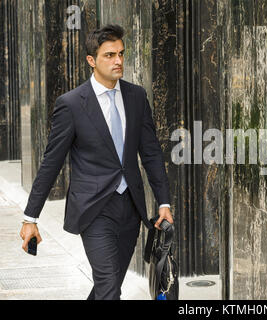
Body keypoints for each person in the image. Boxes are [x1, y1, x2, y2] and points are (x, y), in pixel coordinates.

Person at [19, 24, 173, 300]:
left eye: (121, 54)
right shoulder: (72, 104)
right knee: (109, 288)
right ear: (91, 60)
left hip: (131, 209)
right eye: (109, 55)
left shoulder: (136, 97)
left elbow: (150, 153)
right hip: (93, 210)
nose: (118, 61)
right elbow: (51, 163)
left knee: (108, 285)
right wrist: (31, 217)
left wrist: (163, 203)